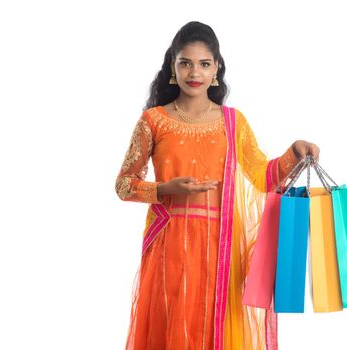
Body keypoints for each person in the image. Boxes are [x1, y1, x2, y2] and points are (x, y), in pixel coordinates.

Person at [115, 21, 320, 350]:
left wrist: (293, 153)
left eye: (204, 64)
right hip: (168, 246)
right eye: (185, 63)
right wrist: (167, 189)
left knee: (213, 333)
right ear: (173, 67)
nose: (194, 72)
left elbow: (261, 175)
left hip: (218, 248)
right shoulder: (153, 121)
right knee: (171, 330)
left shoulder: (232, 122)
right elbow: (124, 184)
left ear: (216, 70)